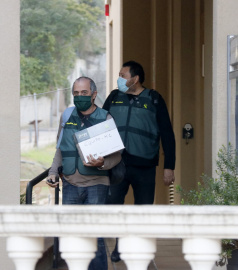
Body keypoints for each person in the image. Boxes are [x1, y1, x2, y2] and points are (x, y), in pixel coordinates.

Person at [103, 60, 176, 262]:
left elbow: (167, 135)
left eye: (123, 75)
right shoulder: (114, 97)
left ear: (134, 79)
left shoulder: (154, 99)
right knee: (114, 206)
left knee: (142, 209)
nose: (119, 78)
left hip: (144, 166)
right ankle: (119, 245)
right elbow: (100, 126)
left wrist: (169, 166)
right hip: (117, 164)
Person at [46, 76, 121, 270]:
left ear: (94, 94)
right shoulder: (67, 117)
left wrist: (104, 162)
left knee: (94, 237)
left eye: (84, 93)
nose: (79, 97)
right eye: (76, 93)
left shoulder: (105, 118)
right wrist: (53, 172)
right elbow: (61, 149)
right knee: (72, 236)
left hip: (96, 185)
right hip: (70, 184)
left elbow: (117, 155)